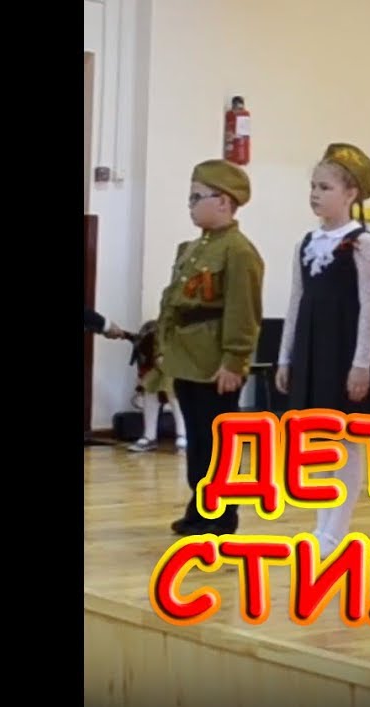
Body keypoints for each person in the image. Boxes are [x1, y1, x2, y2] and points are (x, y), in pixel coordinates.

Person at [276, 143, 370, 557]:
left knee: (346, 440)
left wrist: (361, 363)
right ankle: (321, 522)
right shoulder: (306, 242)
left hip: (343, 351)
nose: (315, 194)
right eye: (313, 186)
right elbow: (295, 300)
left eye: (325, 187)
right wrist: (286, 355)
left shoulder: (362, 243)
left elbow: (369, 306)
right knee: (318, 439)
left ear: (350, 193)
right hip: (311, 349)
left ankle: (336, 530)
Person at [157, 159, 264, 536]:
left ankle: (220, 517)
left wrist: (234, 360)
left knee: (217, 443)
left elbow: (243, 311)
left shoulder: (238, 251)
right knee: (199, 441)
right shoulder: (194, 248)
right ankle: (199, 508)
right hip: (188, 357)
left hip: (215, 363)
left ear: (223, 202)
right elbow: (173, 301)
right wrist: (163, 346)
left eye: (196, 197)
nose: (190, 205)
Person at [127, 319, 188, 452]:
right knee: (151, 382)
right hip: (164, 367)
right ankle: (150, 436)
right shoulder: (158, 333)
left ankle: (183, 433)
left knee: (169, 381)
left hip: (186, 370)